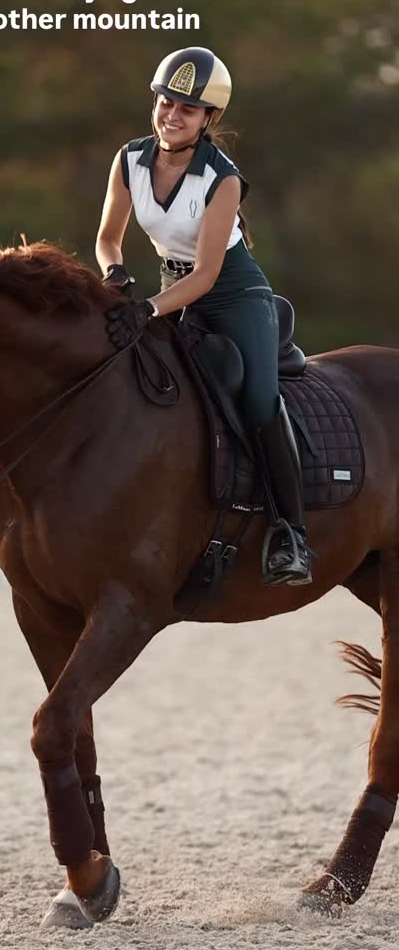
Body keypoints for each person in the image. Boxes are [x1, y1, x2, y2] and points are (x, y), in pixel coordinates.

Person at [95, 46, 313, 586]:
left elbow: (208, 274)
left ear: (208, 118)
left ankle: (292, 534)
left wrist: (147, 309)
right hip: (172, 290)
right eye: (166, 102)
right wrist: (115, 274)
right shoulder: (129, 160)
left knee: (259, 400)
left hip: (234, 295)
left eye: (186, 109)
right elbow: (107, 238)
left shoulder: (223, 179)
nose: (171, 114)